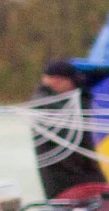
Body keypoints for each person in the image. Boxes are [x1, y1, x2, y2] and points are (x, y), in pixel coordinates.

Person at [32, 59, 103, 199]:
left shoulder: (48, 101)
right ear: (59, 80)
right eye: (73, 82)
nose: (74, 86)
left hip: (70, 178)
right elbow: (78, 121)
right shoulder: (47, 105)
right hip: (69, 180)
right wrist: (84, 91)